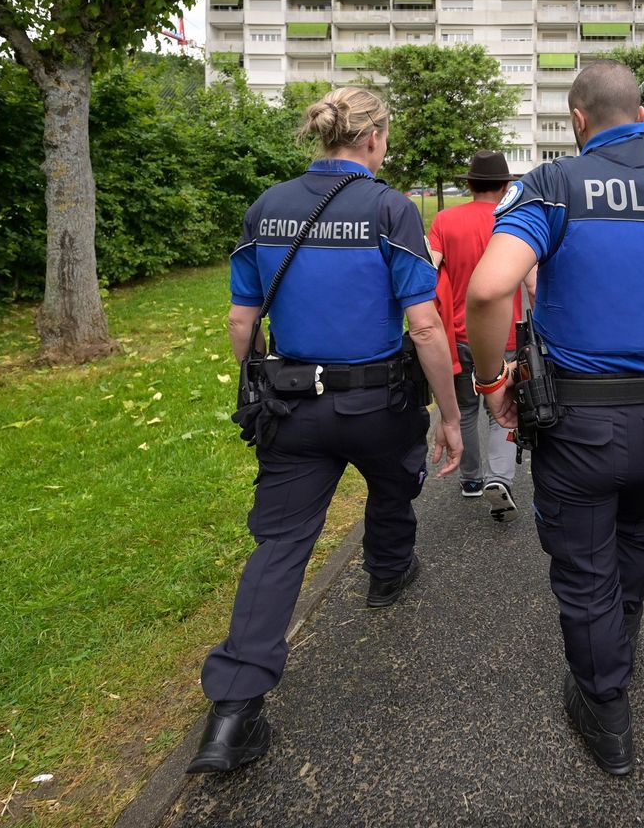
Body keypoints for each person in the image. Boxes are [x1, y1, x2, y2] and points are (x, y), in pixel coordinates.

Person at [465, 61, 644, 775]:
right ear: (641, 115)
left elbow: (490, 289)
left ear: (578, 119)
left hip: (579, 425)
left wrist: (493, 380)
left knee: (583, 567)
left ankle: (605, 710)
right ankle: (622, 637)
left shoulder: (554, 186)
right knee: (636, 534)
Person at [187, 87, 463, 774]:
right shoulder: (390, 208)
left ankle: (231, 717)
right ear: (372, 140)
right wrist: (452, 414)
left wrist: (260, 381)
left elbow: (240, 323)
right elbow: (425, 324)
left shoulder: (267, 205)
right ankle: (388, 572)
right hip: (376, 403)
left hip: (292, 406)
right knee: (395, 482)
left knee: (279, 547)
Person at [428, 150, 535, 522]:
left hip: (455, 336)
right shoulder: (513, 218)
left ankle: (471, 480)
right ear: (506, 186)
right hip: (503, 336)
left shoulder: (444, 220)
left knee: (465, 410)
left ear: (469, 184)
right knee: (504, 409)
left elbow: (430, 272)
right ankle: (499, 478)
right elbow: (533, 283)